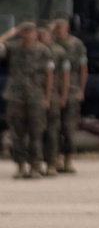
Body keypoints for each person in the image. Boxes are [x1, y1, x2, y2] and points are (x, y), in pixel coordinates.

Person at [1, 21, 54, 179]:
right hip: (15, 97)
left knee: (36, 133)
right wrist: (11, 33)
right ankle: (20, 165)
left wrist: (47, 97)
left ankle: (35, 166)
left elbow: (49, 75)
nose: (29, 34)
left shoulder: (43, 51)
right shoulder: (13, 48)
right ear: (21, 33)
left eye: (31, 31)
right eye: (25, 31)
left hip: (35, 96)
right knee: (17, 134)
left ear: (35, 33)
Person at [51, 17, 87, 173]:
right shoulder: (49, 44)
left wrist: (81, 89)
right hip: (53, 90)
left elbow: (83, 68)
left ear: (67, 27)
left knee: (69, 126)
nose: (59, 30)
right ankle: (56, 158)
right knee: (54, 127)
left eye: (61, 27)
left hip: (71, 89)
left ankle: (68, 159)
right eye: (56, 27)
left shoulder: (76, 44)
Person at [37, 22, 68, 176]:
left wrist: (63, 95)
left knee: (53, 130)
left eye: (46, 35)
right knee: (36, 131)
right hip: (34, 96)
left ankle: (52, 162)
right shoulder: (32, 51)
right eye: (41, 36)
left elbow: (65, 76)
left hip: (53, 96)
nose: (45, 39)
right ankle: (36, 162)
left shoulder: (58, 52)